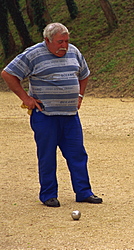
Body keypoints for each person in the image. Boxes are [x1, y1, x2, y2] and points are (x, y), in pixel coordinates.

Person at [1, 23, 103, 207]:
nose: (64, 45)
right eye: (59, 42)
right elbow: (8, 74)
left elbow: (84, 74)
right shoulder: (33, 54)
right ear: (47, 40)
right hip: (45, 116)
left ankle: (84, 192)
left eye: (66, 41)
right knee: (47, 155)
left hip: (70, 115)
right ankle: (48, 195)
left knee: (78, 154)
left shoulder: (74, 51)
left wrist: (80, 95)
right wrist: (26, 98)